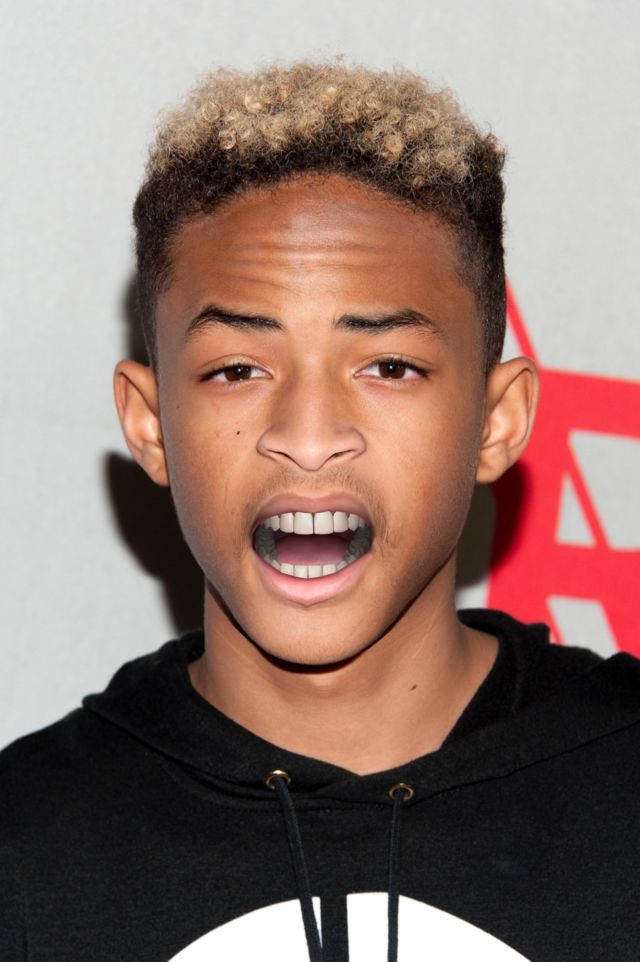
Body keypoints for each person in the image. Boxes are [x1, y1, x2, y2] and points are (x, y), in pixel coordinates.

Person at [1, 60, 639, 962]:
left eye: (389, 367)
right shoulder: (27, 846)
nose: (307, 437)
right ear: (149, 425)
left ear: (497, 423)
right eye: (237, 369)